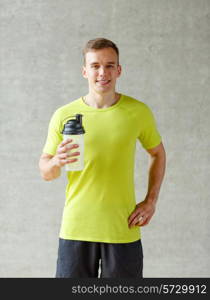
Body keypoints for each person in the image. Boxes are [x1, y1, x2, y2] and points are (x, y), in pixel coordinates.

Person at [39, 38, 166, 278]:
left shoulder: (138, 112)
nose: (102, 72)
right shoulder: (64, 115)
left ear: (119, 70)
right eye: (95, 65)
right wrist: (56, 161)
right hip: (76, 229)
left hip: (122, 228)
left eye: (109, 65)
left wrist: (151, 200)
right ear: (84, 71)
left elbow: (158, 153)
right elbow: (46, 171)